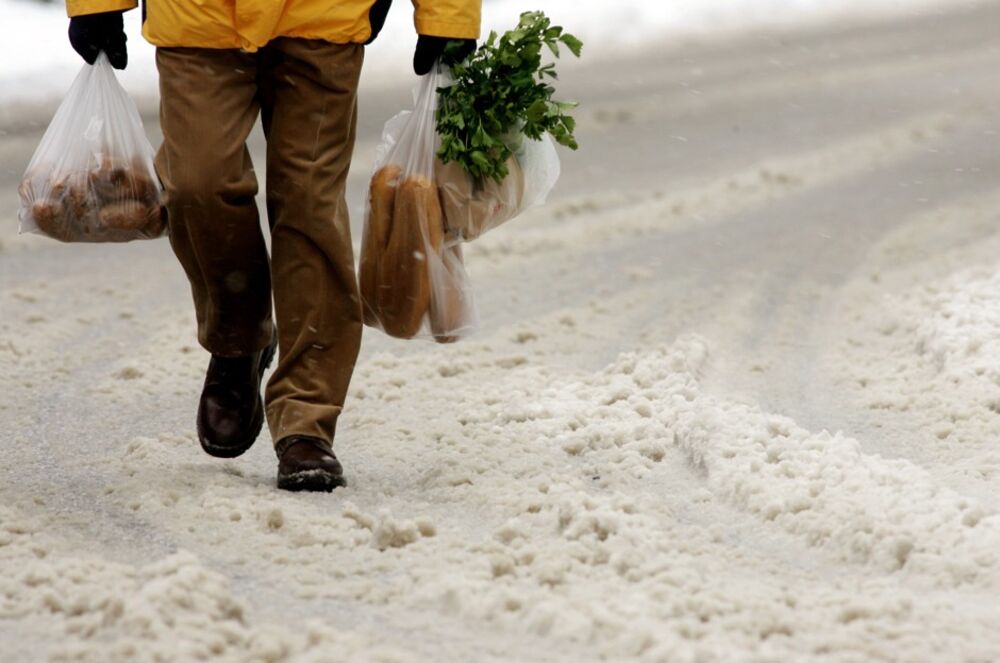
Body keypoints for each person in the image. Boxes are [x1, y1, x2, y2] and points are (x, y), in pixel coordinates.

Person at [66, 0, 480, 491]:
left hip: (323, 17)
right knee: (198, 184)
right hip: (197, 16)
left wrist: (447, 16)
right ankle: (238, 340)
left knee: (310, 204)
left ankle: (307, 418)